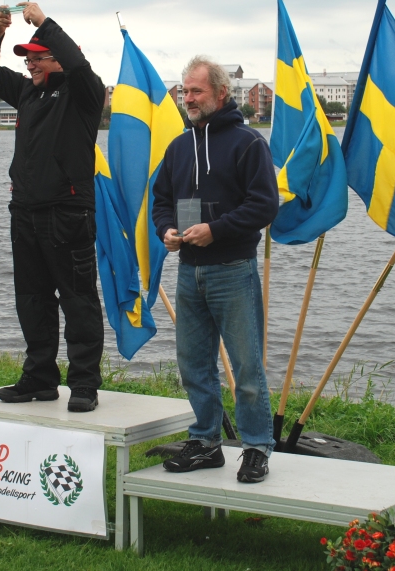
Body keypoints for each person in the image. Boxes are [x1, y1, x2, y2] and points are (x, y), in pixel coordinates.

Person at [0, 2, 104, 412]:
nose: (29, 64)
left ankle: (84, 383)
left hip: (68, 212)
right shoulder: (27, 90)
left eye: (36, 57)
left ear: (57, 58)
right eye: (26, 58)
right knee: (32, 298)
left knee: (78, 299)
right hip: (25, 211)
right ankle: (40, 378)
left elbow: (78, 65)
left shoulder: (84, 92)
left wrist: (45, 23)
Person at [151, 56, 279, 483]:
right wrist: (167, 230)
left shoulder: (248, 143)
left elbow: (264, 205)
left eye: (196, 91)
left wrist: (216, 230)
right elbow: (161, 201)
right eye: (184, 91)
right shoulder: (177, 147)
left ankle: (256, 447)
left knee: (246, 368)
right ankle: (205, 442)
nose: (187, 98)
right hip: (189, 272)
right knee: (193, 365)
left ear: (221, 93)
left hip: (233, 270)